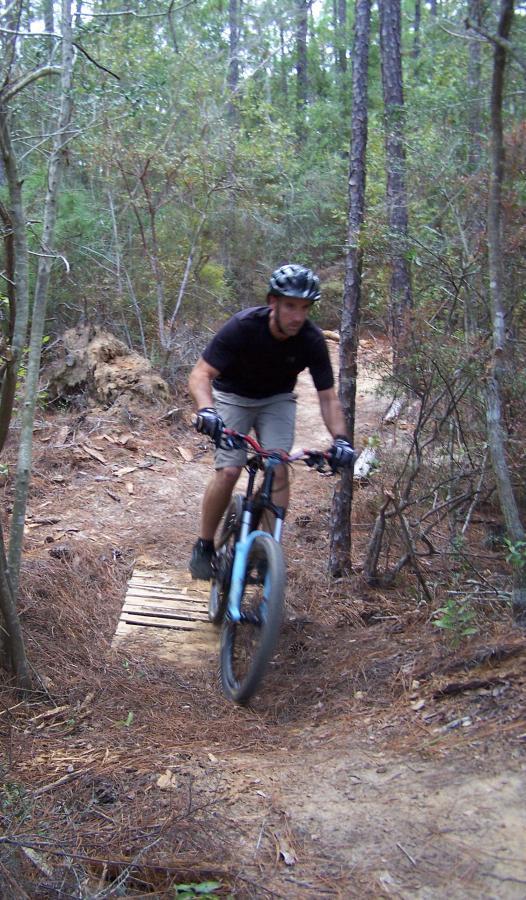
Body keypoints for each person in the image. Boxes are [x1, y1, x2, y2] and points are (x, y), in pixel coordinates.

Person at [187, 263, 355, 580]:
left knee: (278, 466)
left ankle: (268, 550)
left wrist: (342, 440)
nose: (298, 316)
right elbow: (200, 374)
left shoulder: (311, 339)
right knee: (230, 470)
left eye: (305, 308)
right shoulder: (243, 326)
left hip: (276, 400)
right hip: (232, 396)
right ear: (273, 302)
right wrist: (207, 410)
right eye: (290, 306)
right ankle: (205, 545)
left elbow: (328, 398)